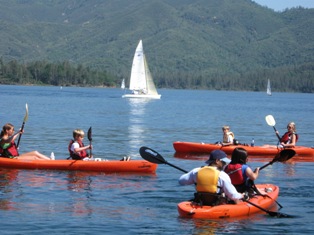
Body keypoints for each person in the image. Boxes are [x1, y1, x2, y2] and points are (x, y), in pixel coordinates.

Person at [178, 150, 244, 206]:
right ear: (217, 161)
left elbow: (181, 181)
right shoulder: (223, 175)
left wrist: (195, 178)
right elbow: (233, 196)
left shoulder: (196, 171)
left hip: (200, 202)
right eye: (223, 162)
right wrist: (242, 195)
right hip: (216, 204)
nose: (225, 164)